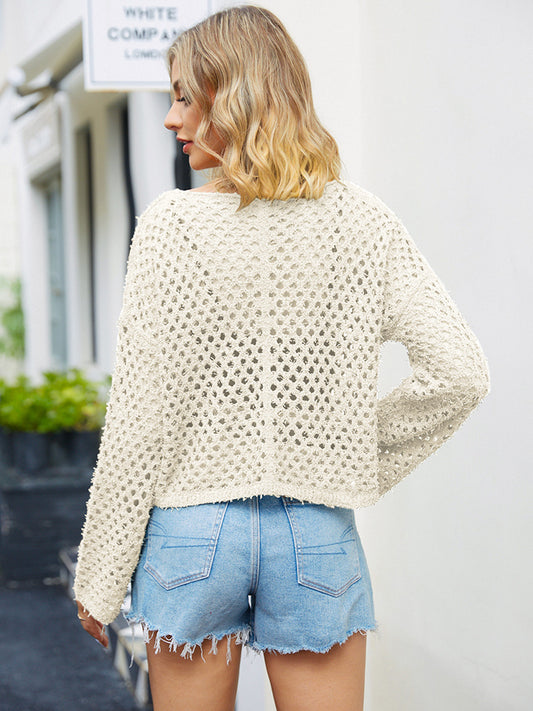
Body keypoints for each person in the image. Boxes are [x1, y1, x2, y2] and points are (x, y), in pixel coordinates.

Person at [73, 5, 490, 710]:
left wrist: (100, 574)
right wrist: (344, 454)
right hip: (314, 533)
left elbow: (140, 419)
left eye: (184, 97)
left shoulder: (170, 226)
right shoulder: (363, 220)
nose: (171, 119)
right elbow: (460, 373)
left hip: (190, 536)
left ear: (231, 97)